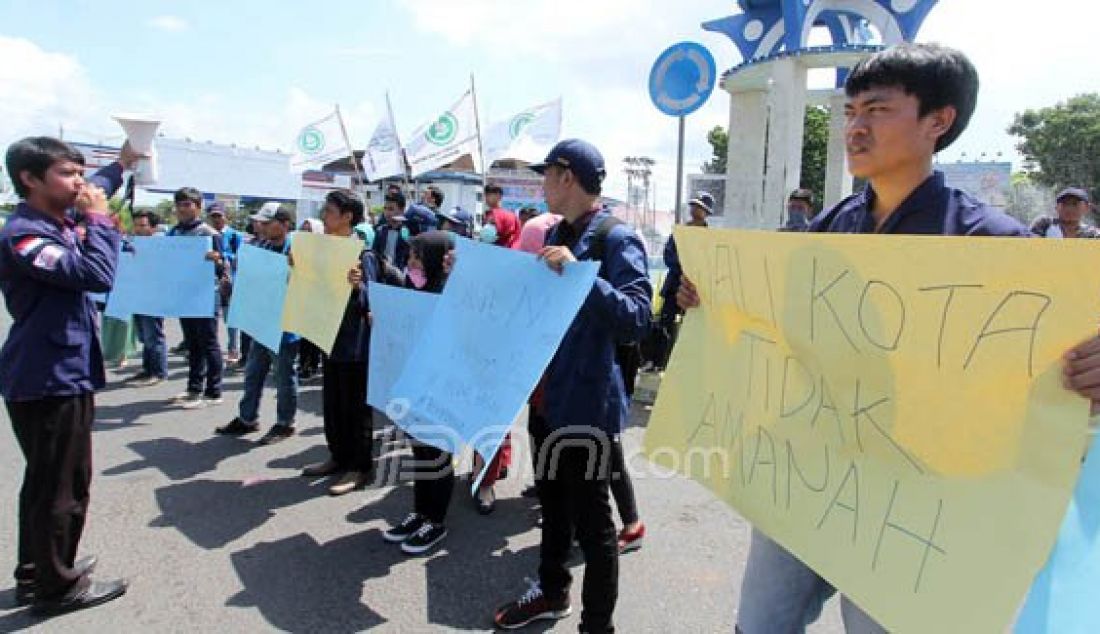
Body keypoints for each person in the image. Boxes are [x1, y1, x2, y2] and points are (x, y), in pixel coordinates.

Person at [673, 42, 1100, 634]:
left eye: (876, 109)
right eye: (850, 111)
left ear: (938, 121)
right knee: (760, 624)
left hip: (913, 507)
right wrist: (709, 298)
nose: (854, 126)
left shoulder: (993, 245)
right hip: (806, 472)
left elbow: (1058, 362)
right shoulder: (828, 226)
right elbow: (765, 316)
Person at [494, 139, 652, 633]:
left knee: (595, 526)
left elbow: (637, 318)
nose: (541, 184)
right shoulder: (555, 232)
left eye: (547, 174)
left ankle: (596, 625)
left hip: (588, 404)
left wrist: (582, 275)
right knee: (553, 508)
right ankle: (551, 591)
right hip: (547, 398)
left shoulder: (616, 238)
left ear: (568, 176)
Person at [1, 136, 140, 614]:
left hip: (60, 371)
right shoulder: (24, 233)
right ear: (30, 179)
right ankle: (58, 588)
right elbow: (97, 273)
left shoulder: (53, 217)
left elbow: (97, 181)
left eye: (81, 173)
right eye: (67, 173)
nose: (81, 182)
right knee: (64, 485)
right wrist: (101, 220)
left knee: (46, 482)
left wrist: (122, 163)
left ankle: (39, 572)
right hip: (49, 375)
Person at [301, 191, 398, 495]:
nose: (324, 216)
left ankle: (359, 467)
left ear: (347, 217)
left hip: (354, 345)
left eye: (329, 211)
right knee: (332, 404)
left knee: (355, 409)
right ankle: (337, 457)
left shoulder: (362, 254)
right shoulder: (322, 249)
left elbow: (374, 298)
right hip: (327, 336)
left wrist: (359, 287)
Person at [382, 230, 459, 555]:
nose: (410, 262)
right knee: (419, 451)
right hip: (414, 385)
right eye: (410, 255)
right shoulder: (414, 290)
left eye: (416, 256)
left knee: (437, 453)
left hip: (441, 388)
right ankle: (420, 513)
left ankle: (436, 521)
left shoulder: (451, 292)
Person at [215, 203, 301, 445]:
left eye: (267, 221)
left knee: (284, 378)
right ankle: (247, 418)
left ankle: (285, 423)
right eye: (260, 221)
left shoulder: (297, 251)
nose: (260, 225)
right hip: (260, 323)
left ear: (285, 224)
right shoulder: (257, 247)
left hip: (285, 327)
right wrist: (232, 286)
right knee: (253, 374)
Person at [167, 187, 226, 409]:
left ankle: (214, 391)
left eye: (187, 204)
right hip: (184, 296)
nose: (182, 209)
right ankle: (194, 388)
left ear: (198, 207)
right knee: (192, 344)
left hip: (205, 295)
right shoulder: (173, 234)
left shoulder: (210, 234)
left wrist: (216, 260)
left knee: (209, 343)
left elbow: (222, 270)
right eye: (179, 204)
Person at [651, 191, 712, 372]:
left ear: (706, 212)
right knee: (665, 323)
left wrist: (695, 272)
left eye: (700, 208)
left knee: (693, 325)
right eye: (694, 206)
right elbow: (669, 255)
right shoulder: (680, 232)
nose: (695, 210)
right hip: (674, 286)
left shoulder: (710, 236)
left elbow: (709, 260)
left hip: (696, 290)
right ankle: (658, 361)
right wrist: (684, 267)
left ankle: (689, 364)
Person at [125, 210, 168, 387]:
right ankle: (147, 369)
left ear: (153, 227)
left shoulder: (161, 245)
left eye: (142, 225)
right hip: (137, 295)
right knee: (143, 335)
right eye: (136, 225)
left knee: (153, 335)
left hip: (154, 297)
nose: (138, 229)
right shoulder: (131, 244)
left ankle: (158, 372)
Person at [207, 202, 244, 364]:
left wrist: (224, 259)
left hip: (229, 281)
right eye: (213, 216)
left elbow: (241, 256)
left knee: (231, 318)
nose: (216, 219)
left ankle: (233, 348)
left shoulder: (234, 235)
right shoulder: (207, 234)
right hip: (210, 281)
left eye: (219, 216)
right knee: (211, 317)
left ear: (225, 216)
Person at [1029, 187, 1100, 238]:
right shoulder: (1044, 224)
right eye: (1064, 203)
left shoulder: (1093, 234)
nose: (1069, 208)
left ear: (1087, 208)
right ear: (1056, 207)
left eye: (1075, 204)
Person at [374, 190, 411, 269]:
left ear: (402, 210)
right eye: (385, 208)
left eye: (391, 209)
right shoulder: (380, 230)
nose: (387, 212)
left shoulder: (408, 231)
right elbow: (375, 254)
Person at [484, 183, 521, 248]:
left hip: (496, 252)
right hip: (512, 252)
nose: (486, 198)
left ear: (498, 196)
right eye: (486, 194)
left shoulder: (492, 215)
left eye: (489, 194)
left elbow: (487, 238)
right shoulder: (513, 215)